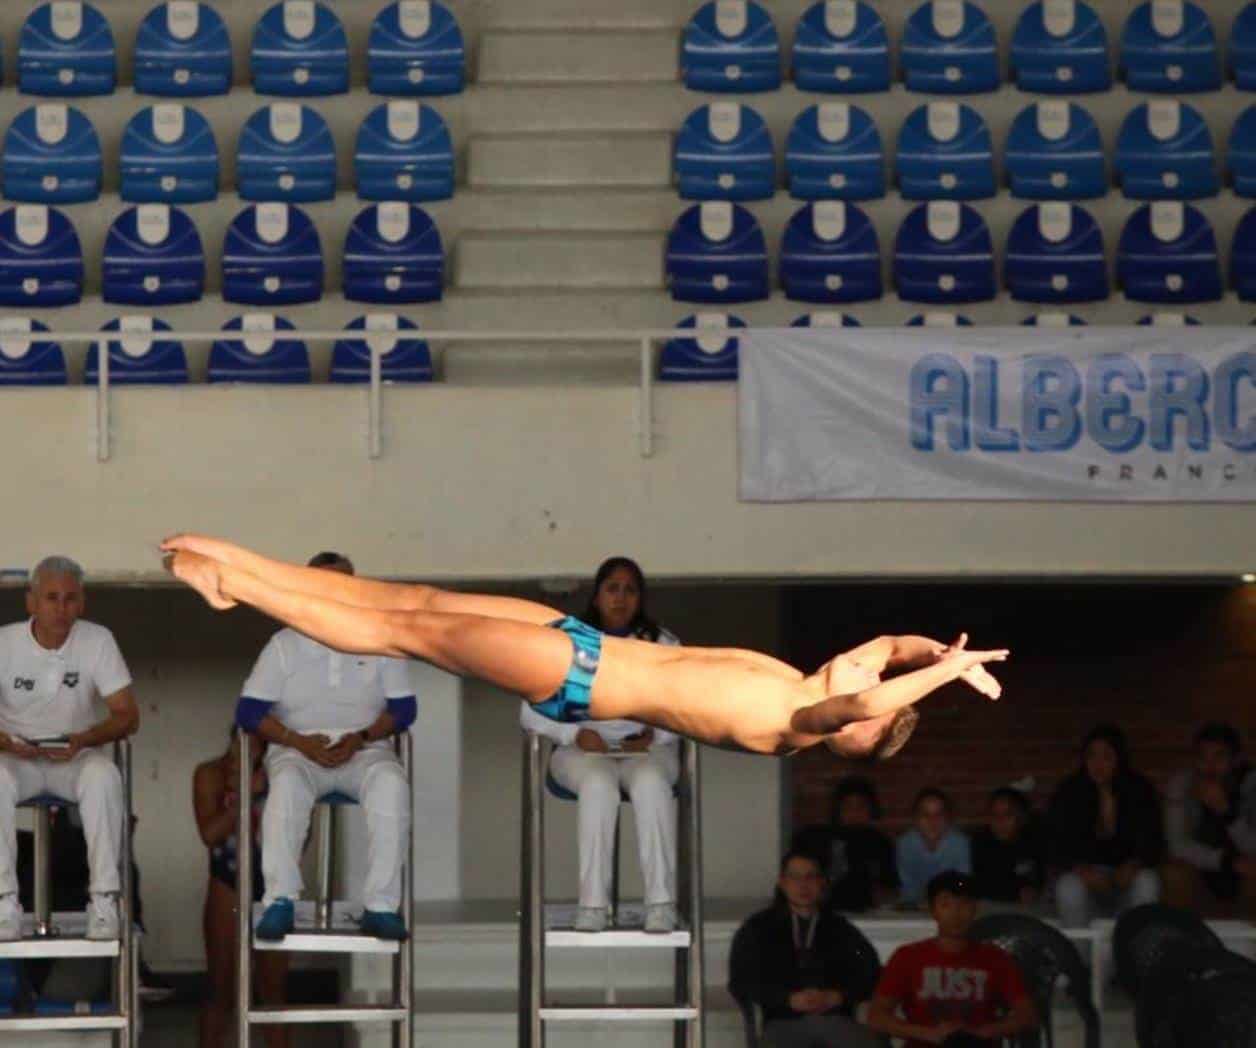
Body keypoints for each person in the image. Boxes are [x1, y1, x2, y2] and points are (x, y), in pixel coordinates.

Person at [160, 535, 1009, 760]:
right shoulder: (798, 678)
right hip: (580, 643)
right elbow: (880, 657)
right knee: (411, 601)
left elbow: (864, 701)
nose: (861, 668)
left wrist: (940, 674)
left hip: (582, 678)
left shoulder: (796, 721)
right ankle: (242, 563)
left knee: (400, 632)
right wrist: (928, 648)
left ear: (843, 739)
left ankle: (234, 587)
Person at [234, 552, 417, 942]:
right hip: (297, 749)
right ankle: (279, 901)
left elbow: (404, 710)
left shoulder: (380, 638)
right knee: (284, 787)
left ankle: (381, 906)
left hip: (365, 749)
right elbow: (249, 712)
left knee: (391, 784)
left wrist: (362, 737)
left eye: (344, 584)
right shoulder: (284, 644)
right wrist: (298, 741)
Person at [520, 557, 682, 933]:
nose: (621, 598)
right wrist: (574, 734)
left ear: (640, 598)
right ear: (597, 595)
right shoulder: (567, 640)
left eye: (629, 590)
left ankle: (661, 903)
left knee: (651, 786)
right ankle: (592, 905)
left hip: (647, 750)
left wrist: (655, 734)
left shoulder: (662, 643)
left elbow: (686, 708)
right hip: (581, 749)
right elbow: (530, 712)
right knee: (598, 787)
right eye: (612, 588)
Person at [0, 556, 139, 941]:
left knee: (104, 777)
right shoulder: (4, 643)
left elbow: (128, 715)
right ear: (31, 602)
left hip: (74, 756)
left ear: (83, 603)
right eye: (51, 598)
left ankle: (104, 902)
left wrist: (84, 739)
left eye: (69, 599)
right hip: (15, 760)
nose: (61, 609)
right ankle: (4, 904)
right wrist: (7, 742)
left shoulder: (97, 640)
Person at [729, 850, 885, 1048]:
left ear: (822, 882)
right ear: (782, 882)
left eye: (811, 876)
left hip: (834, 1018)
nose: (803, 885)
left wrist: (839, 996)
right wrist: (787, 1000)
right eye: (795, 877)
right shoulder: (757, 928)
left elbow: (870, 972)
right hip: (783, 1021)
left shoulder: (840, 928)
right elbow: (742, 980)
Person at [193, 729, 288, 1048]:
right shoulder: (210, 775)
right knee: (220, 989)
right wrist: (245, 795)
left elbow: (299, 837)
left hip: (271, 886)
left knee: (273, 994)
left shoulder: (284, 774)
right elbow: (209, 834)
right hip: (227, 883)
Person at [867, 872, 1038, 1048]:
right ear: (932, 910)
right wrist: (928, 1034)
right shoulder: (907, 956)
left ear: (975, 909)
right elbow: (876, 1017)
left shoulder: (995, 958)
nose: (956, 913)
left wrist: (983, 1032)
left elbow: (1027, 1015)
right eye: (946, 904)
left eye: (964, 904)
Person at [1048, 723, 1164, 928]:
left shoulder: (1139, 790)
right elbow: (1056, 844)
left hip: (1127, 878)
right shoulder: (1069, 792)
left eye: (1107, 756)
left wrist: (1134, 864)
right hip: (1087, 879)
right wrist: (1081, 869)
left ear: (1119, 759)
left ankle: (1137, 953)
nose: (1098, 764)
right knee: (1067, 887)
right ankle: (1079, 956)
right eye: (1091, 756)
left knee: (1148, 882)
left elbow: (1154, 841)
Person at [1162, 722, 1256, 915]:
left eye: (1219, 756)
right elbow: (1176, 844)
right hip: (1204, 864)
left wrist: (1226, 812)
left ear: (1236, 760)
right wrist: (1225, 861)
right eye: (1203, 757)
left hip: (1245, 867)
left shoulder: (1251, 785)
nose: (1210, 766)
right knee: (1174, 874)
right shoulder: (1182, 784)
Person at [792, 776, 897, 912]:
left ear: (871, 809)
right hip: (823, 912)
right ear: (838, 809)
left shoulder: (880, 842)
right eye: (848, 806)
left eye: (860, 806)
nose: (854, 812)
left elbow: (889, 887)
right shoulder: (817, 838)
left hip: (868, 914)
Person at [971, 787, 1046, 906]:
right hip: (990, 905)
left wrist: (1034, 889)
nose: (1000, 821)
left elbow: (1041, 876)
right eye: (995, 815)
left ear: (1020, 817)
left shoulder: (1033, 841)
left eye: (1008, 814)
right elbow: (980, 885)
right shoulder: (979, 843)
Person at [897, 789, 972, 906]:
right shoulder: (906, 844)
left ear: (948, 818)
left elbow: (963, 883)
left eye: (939, 815)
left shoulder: (960, 844)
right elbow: (907, 884)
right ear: (915, 819)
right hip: (915, 904)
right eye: (925, 815)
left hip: (952, 904)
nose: (932, 821)